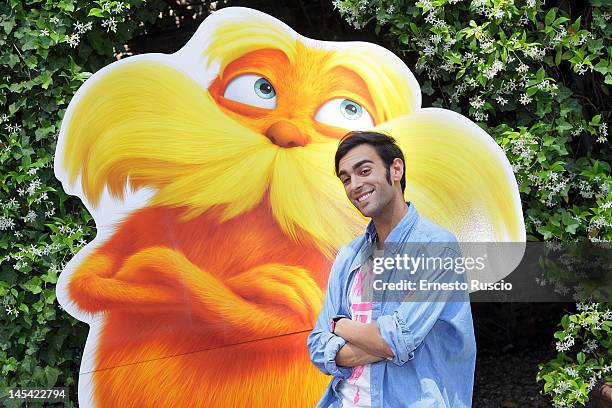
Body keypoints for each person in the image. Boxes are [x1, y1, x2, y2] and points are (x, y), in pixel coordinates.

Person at [307, 131, 476, 407]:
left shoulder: (436, 248)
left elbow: (393, 342)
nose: (355, 185)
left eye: (364, 171)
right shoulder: (348, 256)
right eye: (346, 178)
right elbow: (316, 345)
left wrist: (340, 325)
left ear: (395, 169)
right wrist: (376, 340)